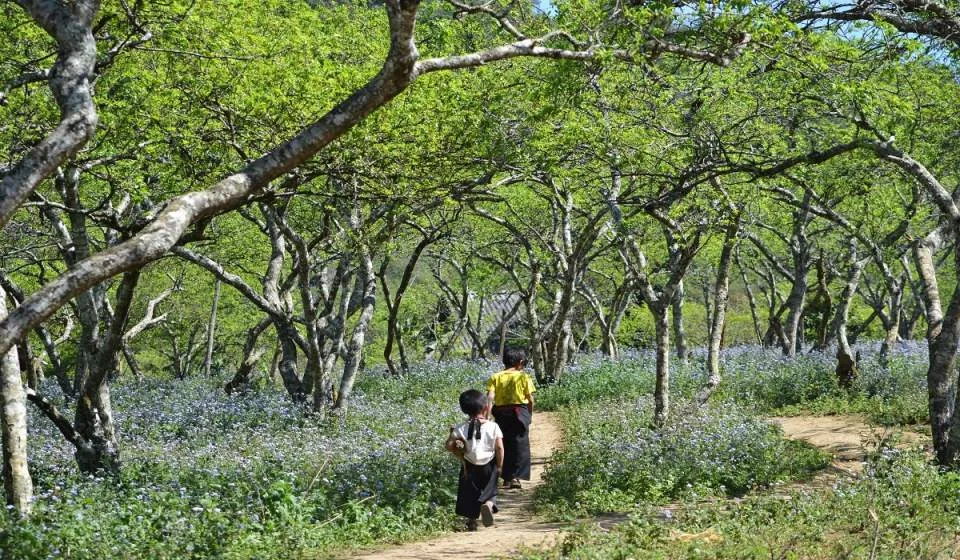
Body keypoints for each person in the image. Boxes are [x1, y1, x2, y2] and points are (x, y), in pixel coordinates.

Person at [446, 389, 504, 531]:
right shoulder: (493, 426)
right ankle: (488, 505)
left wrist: (456, 447)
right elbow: (499, 448)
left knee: (469, 493)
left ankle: (471, 521)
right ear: (485, 407)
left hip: (469, 466)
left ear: (464, 410)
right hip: (489, 465)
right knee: (491, 490)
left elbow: (448, 446)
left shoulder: (460, 428)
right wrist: (499, 466)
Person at [486, 348, 535, 489]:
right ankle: (515, 478)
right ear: (520, 362)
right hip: (520, 412)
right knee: (520, 445)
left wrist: (488, 415)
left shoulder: (495, 377)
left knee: (503, 443)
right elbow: (530, 399)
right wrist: (529, 415)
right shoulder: (523, 377)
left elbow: (490, 397)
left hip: (501, 414)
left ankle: (506, 477)